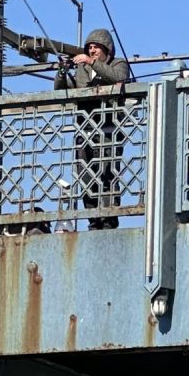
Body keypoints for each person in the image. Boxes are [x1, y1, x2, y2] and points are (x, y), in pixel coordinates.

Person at [55, 28, 133, 229]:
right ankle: (93, 219)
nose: (92, 50)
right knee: (85, 175)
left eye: (96, 47)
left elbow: (118, 77)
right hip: (85, 130)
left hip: (109, 129)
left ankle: (109, 218)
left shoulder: (118, 63)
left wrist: (92, 63)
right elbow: (62, 90)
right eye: (89, 48)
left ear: (107, 49)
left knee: (107, 173)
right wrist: (62, 72)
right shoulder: (82, 70)